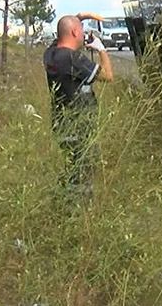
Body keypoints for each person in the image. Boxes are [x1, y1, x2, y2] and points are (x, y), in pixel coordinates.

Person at [43, 13, 113, 192]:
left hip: (61, 123)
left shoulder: (50, 54)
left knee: (72, 166)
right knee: (84, 170)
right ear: (74, 32)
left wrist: (79, 17)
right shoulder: (72, 58)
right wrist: (101, 49)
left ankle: (65, 197)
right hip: (78, 125)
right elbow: (107, 75)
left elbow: (62, 31)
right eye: (81, 30)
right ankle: (77, 207)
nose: (84, 35)